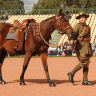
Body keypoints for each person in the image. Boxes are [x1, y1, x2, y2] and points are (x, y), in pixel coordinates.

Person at [67, 12, 93, 85]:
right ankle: (71, 73)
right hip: (80, 46)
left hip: (87, 46)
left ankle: (85, 80)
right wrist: (71, 39)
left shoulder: (87, 26)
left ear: (85, 19)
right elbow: (73, 33)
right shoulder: (78, 26)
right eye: (80, 18)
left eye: (83, 17)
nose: (82, 19)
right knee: (84, 62)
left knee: (87, 63)